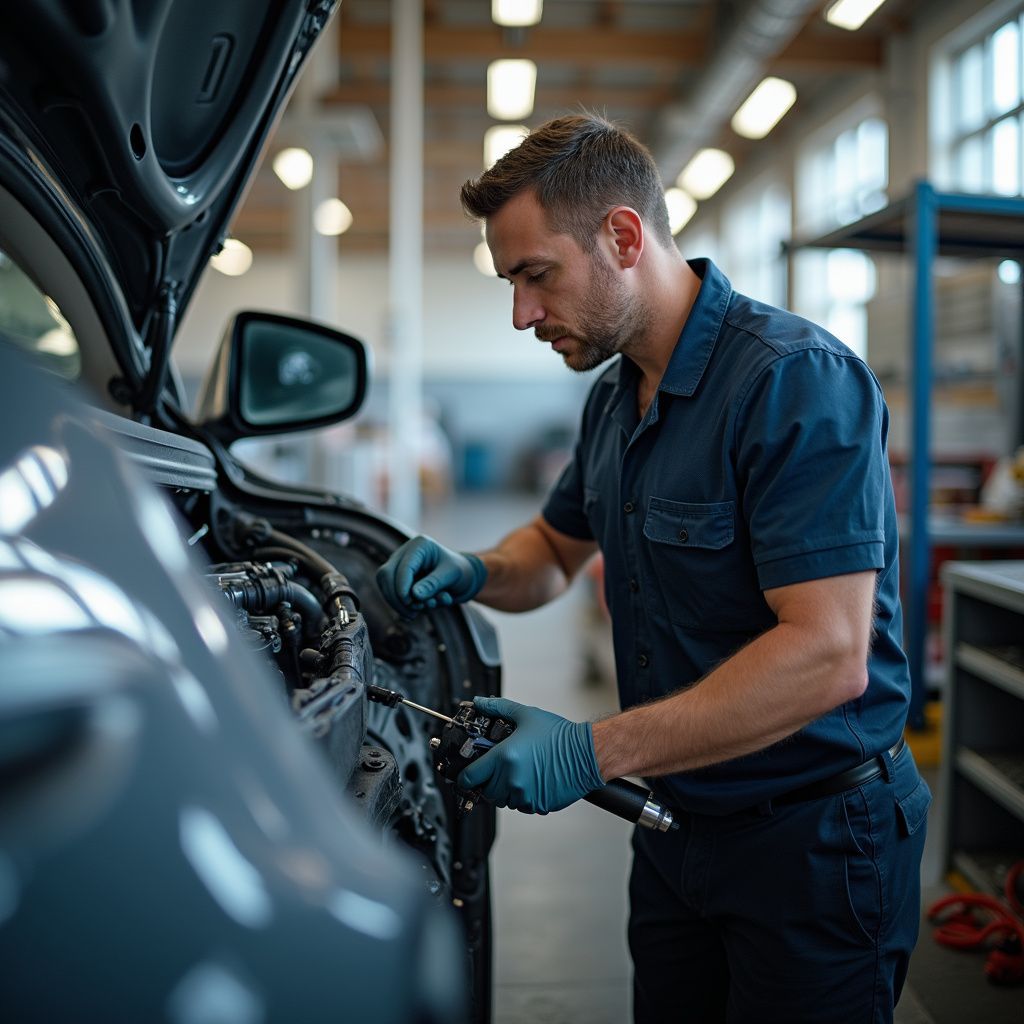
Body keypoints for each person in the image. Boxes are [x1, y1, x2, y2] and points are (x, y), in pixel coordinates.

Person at [375, 113, 931, 1023]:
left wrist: (591, 752)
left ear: (623, 236)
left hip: (815, 848)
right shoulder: (614, 398)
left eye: (535, 275)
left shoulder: (793, 383)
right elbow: (555, 552)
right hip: (676, 833)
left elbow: (829, 655)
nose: (521, 314)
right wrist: (474, 568)